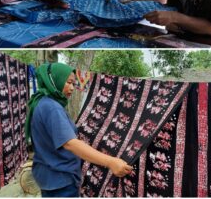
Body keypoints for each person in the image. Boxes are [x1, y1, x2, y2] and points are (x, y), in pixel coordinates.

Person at [25, 63, 132, 197]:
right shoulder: (52, 108)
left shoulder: (41, 103)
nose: (72, 88)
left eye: (73, 84)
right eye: (68, 82)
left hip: (49, 176)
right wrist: (111, 162)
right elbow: (70, 143)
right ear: (54, 80)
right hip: (60, 180)